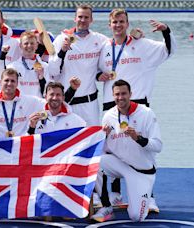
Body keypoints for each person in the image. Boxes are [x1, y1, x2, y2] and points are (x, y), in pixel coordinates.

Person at [97, 8, 176, 212]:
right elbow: (96, 70)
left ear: (127, 23)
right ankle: (114, 195)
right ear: (109, 25)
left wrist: (166, 31)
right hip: (110, 106)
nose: (118, 25)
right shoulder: (105, 46)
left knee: (144, 150)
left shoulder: (142, 44)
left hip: (138, 106)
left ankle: (149, 197)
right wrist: (99, 76)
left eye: (122, 22)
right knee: (112, 148)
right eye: (115, 22)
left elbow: (169, 51)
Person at [92, 79, 162, 222]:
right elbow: (105, 149)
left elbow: (158, 146)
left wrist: (138, 138)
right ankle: (106, 206)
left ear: (131, 94)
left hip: (142, 171)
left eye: (124, 93)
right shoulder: (108, 116)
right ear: (113, 96)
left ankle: (144, 196)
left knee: (136, 217)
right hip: (121, 165)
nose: (120, 97)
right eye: (117, 94)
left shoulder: (146, 113)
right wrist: (102, 137)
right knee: (94, 162)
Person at [48, 4, 108, 126]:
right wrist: (62, 51)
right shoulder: (62, 39)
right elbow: (53, 71)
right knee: (68, 142)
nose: (83, 20)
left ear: (91, 20)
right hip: (67, 103)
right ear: (75, 18)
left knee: (92, 139)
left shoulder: (99, 39)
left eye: (86, 17)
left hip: (90, 103)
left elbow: (118, 44)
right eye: (80, 17)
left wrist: (135, 38)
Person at [0, 31, 50, 98]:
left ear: (37, 46)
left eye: (32, 43)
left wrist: (42, 79)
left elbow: (48, 92)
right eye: (26, 43)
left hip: (37, 105)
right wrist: (2, 54)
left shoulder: (44, 66)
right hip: (19, 105)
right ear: (21, 46)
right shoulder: (13, 67)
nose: (29, 46)